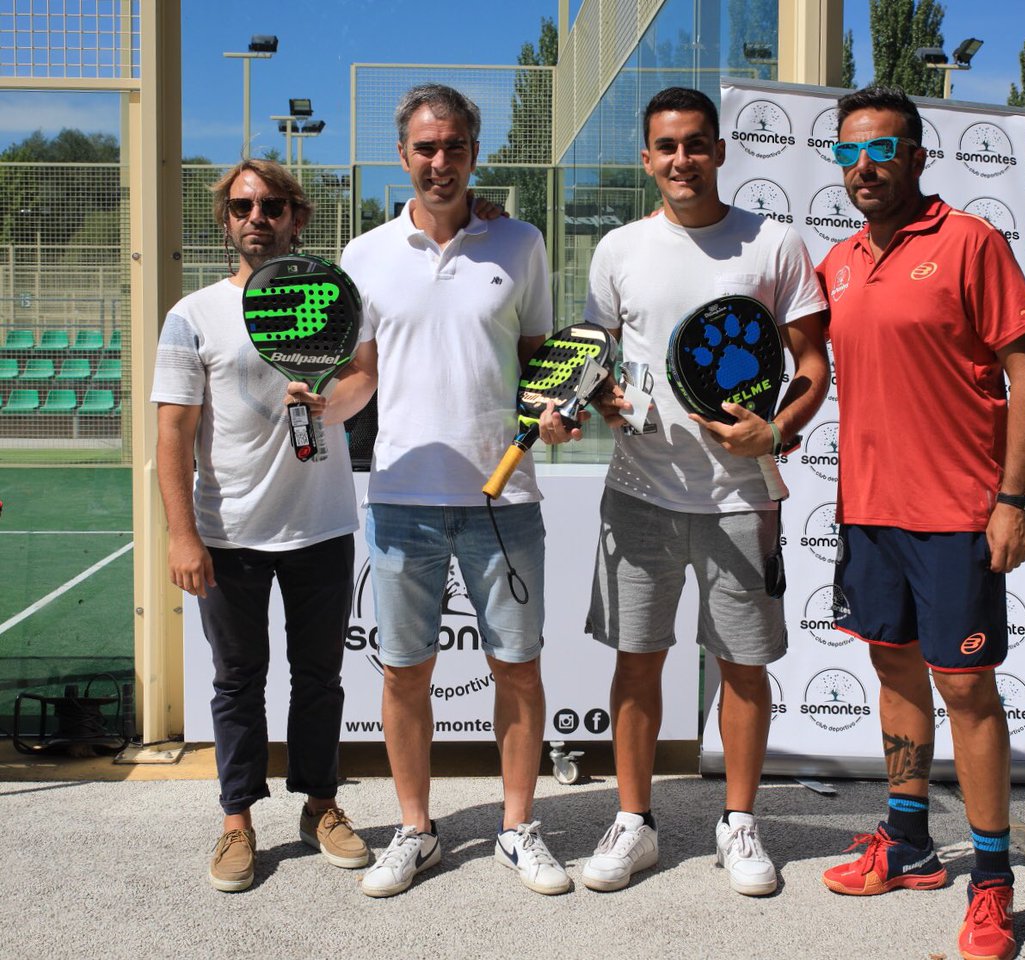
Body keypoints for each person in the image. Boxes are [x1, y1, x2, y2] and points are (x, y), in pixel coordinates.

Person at [541, 87, 829, 896]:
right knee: (639, 662)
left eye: (696, 144)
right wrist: (598, 403)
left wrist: (774, 433)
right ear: (646, 158)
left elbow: (812, 367)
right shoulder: (619, 249)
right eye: (666, 146)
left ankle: (738, 823)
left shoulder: (772, 244)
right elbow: (598, 360)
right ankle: (635, 822)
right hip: (640, 493)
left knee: (742, 666)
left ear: (719, 151)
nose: (681, 160)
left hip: (742, 499)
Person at [294, 83, 569, 898]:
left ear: (474, 153)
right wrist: (322, 402)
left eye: (454, 147)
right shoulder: (365, 255)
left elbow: (540, 362)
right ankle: (417, 831)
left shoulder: (520, 244)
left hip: (503, 497)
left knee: (517, 667)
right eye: (425, 148)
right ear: (403, 155)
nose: (440, 161)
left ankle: (518, 828)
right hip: (402, 498)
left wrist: (549, 418)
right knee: (404, 672)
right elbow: (360, 383)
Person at [814, 87, 1025, 960]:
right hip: (868, 513)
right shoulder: (836, 262)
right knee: (898, 675)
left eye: (881, 150)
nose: (864, 167)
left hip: (957, 515)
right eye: (848, 154)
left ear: (918, 156)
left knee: (967, 693)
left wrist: (1012, 499)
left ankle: (993, 883)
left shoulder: (969, 243)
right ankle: (909, 844)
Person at [152, 159, 366, 892]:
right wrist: (182, 534)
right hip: (228, 532)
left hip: (322, 526)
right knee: (238, 682)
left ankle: (322, 807)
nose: (257, 216)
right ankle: (237, 821)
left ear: (297, 217)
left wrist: (330, 399)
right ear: (226, 219)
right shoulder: (192, 315)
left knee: (319, 679)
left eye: (273, 204)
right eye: (242, 205)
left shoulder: (335, 298)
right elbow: (173, 433)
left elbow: (364, 370)